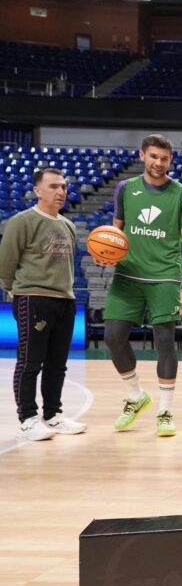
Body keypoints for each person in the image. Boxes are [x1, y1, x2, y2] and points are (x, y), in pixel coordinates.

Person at [105, 134, 182, 437]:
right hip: (127, 275)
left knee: (165, 342)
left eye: (164, 158)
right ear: (142, 155)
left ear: (170, 160)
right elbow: (115, 232)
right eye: (154, 156)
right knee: (113, 336)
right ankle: (136, 395)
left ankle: (165, 410)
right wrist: (105, 253)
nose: (159, 163)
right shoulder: (125, 188)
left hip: (164, 277)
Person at [0, 168, 86, 441]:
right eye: (53, 186)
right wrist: (16, 290)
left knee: (57, 364)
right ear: (37, 190)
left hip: (65, 300)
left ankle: (52, 415)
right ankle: (27, 419)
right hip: (33, 298)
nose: (60, 192)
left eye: (63, 187)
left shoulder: (68, 225)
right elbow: (6, 263)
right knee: (29, 362)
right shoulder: (21, 221)